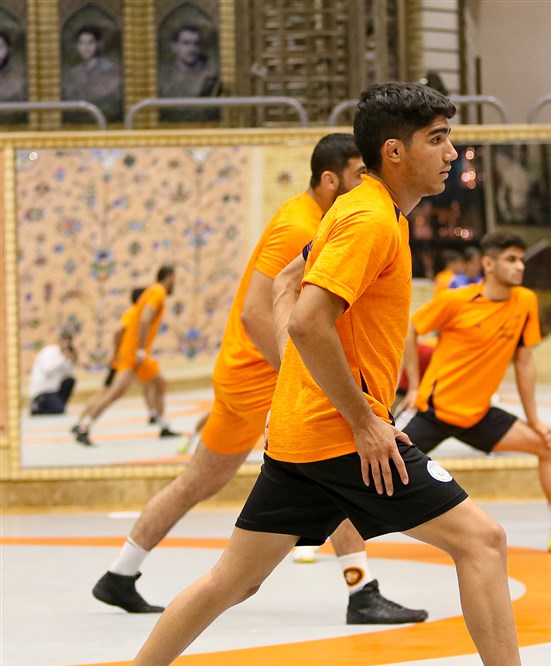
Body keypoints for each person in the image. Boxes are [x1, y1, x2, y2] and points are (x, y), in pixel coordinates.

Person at [85, 82, 551, 666]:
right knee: (482, 542)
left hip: (304, 435)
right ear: (394, 151)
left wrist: (310, 380)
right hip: (341, 439)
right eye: (437, 139)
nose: (452, 152)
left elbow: (290, 288)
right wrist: (364, 421)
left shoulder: (361, 210)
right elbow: (308, 319)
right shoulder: (368, 221)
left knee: (233, 580)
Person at [89, 134, 424, 625]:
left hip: (243, 372)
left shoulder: (324, 219)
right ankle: (362, 591)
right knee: (337, 462)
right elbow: (254, 312)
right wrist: (300, 374)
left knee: (200, 480)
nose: (367, 181)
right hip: (259, 376)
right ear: (329, 179)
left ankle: (120, 573)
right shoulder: (300, 225)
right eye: (358, 174)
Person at [398, 231, 551, 555]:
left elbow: (524, 361)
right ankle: (319, 536)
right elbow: (411, 327)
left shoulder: (525, 301)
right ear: (488, 264)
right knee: (372, 469)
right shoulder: (457, 300)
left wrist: (534, 420)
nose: (520, 266)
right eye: (511, 259)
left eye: (521, 259)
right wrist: (413, 385)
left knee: (548, 445)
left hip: (479, 415)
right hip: (434, 411)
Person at [72, 267, 180, 445]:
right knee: (114, 392)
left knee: (160, 383)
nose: (175, 283)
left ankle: (162, 425)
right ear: (169, 277)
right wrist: (140, 350)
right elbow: (145, 318)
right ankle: (84, 427)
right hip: (133, 355)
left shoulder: (151, 292)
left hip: (137, 354)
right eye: (174, 278)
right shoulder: (158, 292)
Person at [157, 24, 220, 122]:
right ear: (174, 47)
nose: (192, 49)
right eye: (186, 43)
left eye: (196, 44)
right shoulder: (162, 77)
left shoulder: (211, 77)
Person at [62, 25, 122, 122]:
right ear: (77, 46)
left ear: (99, 44)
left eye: (90, 42)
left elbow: (113, 102)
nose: (86, 47)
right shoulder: (74, 73)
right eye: (81, 43)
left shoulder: (109, 69)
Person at [29, 330, 78, 415]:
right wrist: (63, 358)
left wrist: (70, 360)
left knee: (70, 381)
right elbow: (48, 370)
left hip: (53, 392)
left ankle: (58, 404)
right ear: (60, 341)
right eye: (65, 340)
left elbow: (68, 374)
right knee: (58, 409)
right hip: (42, 392)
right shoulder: (49, 352)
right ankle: (37, 406)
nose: (67, 344)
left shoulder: (63, 355)